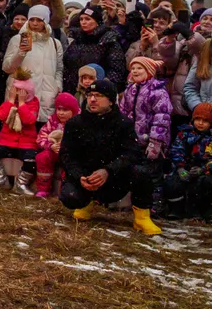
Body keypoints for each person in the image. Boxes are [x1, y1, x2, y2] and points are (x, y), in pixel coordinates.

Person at [59, 84, 161, 236]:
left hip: (113, 180)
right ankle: (85, 204)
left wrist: (108, 171)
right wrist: (79, 176)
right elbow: (66, 156)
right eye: (90, 95)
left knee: (142, 172)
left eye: (99, 96)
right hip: (85, 178)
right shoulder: (75, 124)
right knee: (70, 197)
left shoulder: (124, 123)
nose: (92, 99)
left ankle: (142, 218)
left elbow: (132, 154)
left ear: (111, 101)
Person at [32, 91, 76, 198]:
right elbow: (40, 137)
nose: (61, 113)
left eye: (65, 110)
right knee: (42, 157)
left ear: (73, 110)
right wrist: (50, 145)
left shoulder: (77, 123)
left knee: (70, 164)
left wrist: (66, 147)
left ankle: (65, 191)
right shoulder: (52, 121)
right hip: (54, 151)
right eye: (59, 109)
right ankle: (43, 189)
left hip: (71, 154)